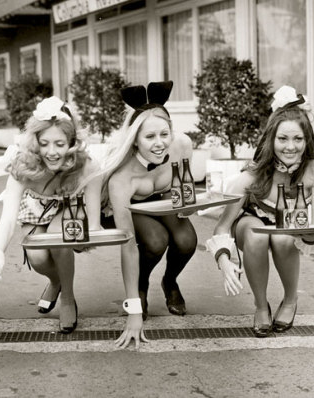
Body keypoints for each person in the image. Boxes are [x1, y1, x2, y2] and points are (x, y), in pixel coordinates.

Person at [0, 96, 102, 334]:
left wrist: (91, 232)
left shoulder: (86, 165)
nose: (52, 152)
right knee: (37, 258)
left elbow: (96, 221)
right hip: (36, 208)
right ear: (35, 141)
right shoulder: (23, 165)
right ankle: (56, 281)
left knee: (59, 240)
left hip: (68, 209)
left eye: (60, 144)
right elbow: (6, 224)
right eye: (45, 143)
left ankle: (67, 298)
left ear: (72, 142)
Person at [206, 85, 314, 337]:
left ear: (308, 140)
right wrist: (223, 259)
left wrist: (309, 233)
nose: (290, 146)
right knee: (258, 235)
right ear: (271, 139)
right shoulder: (254, 172)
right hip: (250, 222)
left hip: (289, 224)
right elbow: (222, 225)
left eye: (298, 139)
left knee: (284, 238)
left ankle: (290, 300)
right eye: (282, 138)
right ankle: (261, 306)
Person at [101, 81, 197, 348]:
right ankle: (141, 285)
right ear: (134, 139)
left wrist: (189, 204)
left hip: (162, 197)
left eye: (164, 134)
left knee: (187, 240)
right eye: (150, 137)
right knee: (156, 240)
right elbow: (128, 246)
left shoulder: (181, 145)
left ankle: (170, 281)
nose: (160, 144)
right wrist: (133, 309)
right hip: (126, 206)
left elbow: (183, 191)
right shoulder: (121, 177)